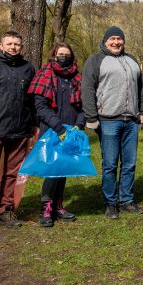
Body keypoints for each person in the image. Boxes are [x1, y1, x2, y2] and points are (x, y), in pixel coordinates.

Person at [82, 26, 143, 219]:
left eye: (119, 39)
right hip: (107, 120)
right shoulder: (96, 60)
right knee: (110, 163)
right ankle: (110, 203)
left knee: (129, 163)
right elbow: (87, 89)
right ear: (105, 41)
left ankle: (126, 199)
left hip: (131, 121)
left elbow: (141, 88)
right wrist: (91, 117)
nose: (116, 42)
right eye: (112, 39)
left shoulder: (132, 60)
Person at [28, 42, 86, 227]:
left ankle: (59, 205)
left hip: (71, 130)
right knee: (52, 171)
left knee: (64, 169)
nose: (64, 57)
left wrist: (79, 124)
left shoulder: (76, 77)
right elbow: (41, 107)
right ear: (54, 55)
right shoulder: (45, 74)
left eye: (67, 54)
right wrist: (58, 127)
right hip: (52, 130)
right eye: (60, 54)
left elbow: (83, 106)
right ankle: (46, 208)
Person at [0, 31, 35, 228]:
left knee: (12, 172)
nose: (13, 47)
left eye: (17, 44)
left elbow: (32, 100)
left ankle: (6, 210)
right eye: (10, 43)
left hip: (20, 129)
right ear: (1, 45)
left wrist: (34, 124)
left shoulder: (28, 68)